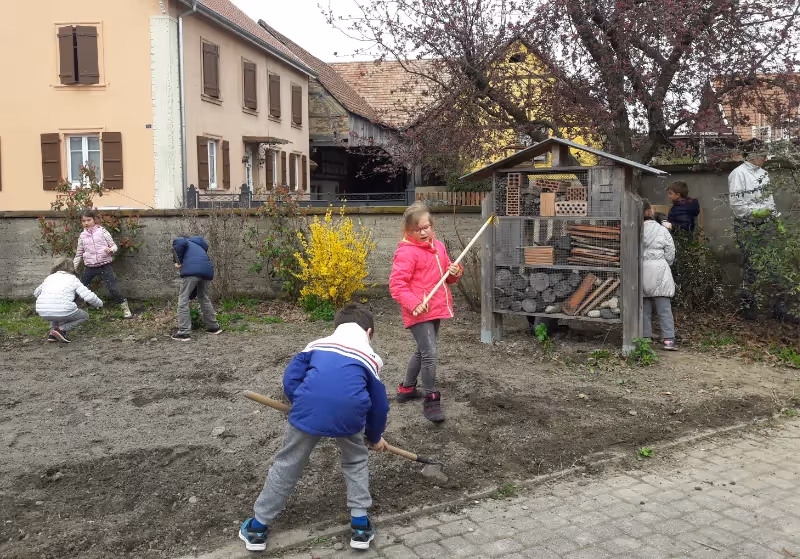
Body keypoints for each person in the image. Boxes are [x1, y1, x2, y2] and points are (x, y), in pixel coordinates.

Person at [239, 304, 389, 552]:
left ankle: (257, 528)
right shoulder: (370, 358)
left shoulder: (316, 345)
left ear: (336, 327)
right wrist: (373, 437)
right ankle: (360, 526)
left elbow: (290, 378)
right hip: (350, 415)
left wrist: (301, 401)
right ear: (369, 332)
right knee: (355, 462)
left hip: (307, 410)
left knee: (288, 463)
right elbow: (379, 406)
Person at [389, 203, 462, 423]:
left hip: (435, 306)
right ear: (408, 231)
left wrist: (455, 272)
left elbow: (447, 276)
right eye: (417, 229)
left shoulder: (438, 246)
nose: (423, 232)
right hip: (418, 310)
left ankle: (407, 388)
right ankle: (431, 398)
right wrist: (414, 304)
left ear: (432, 227)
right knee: (430, 353)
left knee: (422, 351)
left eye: (426, 227)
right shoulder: (407, 253)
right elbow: (397, 285)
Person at [728, 151, 781, 319]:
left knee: (774, 264)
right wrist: (757, 212)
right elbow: (737, 205)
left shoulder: (764, 174)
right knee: (752, 265)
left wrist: (776, 218)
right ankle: (748, 309)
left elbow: (769, 199)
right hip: (746, 225)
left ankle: (779, 309)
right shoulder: (738, 174)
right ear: (752, 155)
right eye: (763, 155)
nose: (766, 158)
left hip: (766, 224)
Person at [73, 209, 131, 318]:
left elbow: (114, 246)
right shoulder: (82, 236)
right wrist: (72, 268)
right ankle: (70, 309)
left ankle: (125, 308)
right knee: (79, 287)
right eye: (83, 221)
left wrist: (111, 250)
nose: (86, 223)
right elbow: (79, 254)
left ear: (94, 220)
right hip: (90, 267)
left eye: (88, 220)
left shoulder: (102, 231)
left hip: (104, 266)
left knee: (113, 288)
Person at [35, 259, 103, 343]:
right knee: (84, 316)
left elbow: (36, 293)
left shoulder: (49, 278)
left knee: (55, 307)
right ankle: (61, 329)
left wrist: (45, 300)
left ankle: (52, 334)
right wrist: (99, 304)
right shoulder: (73, 279)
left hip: (43, 312)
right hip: (62, 310)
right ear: (72, 268)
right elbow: (89, 297)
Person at [642, 199, 678, 351]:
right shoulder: (662, 230)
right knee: (664, 309)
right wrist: (664, 264)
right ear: (650, 212)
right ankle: (668, 340)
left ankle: (645, 338)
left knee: (644, 309)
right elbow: (670, 252)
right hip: (660, 270)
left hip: (641, 271)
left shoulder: (633, 230)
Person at [171, 236, 222, 341]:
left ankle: (184, 332)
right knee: (203, 297)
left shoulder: (182, 242)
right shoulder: (198, 246)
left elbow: (179, 243)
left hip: (192, 271)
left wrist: (178, 262)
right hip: (207, 270)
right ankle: (213, 327)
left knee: (183, 299)